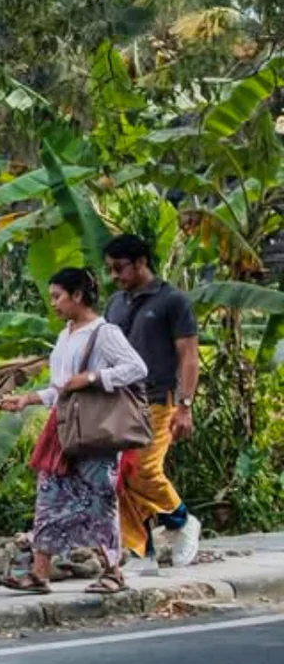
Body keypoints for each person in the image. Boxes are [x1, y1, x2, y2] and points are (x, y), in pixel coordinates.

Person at [0, 268, 146, 595]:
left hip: (96, 432)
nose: (54, 303)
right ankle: (39, 573)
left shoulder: (104, 332)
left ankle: (113, 571)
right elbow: (60, 389)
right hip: (65, 429)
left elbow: (137, 368)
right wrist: (26, 399)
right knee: (48, 498)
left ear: (78, 295)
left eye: (58, 296)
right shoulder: (65, 334)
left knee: (100, 499)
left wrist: (93, 378)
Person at [102, 234, 203, 569]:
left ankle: (181, 520)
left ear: (142, 262)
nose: (114, 275)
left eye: (120, 268)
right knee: (121, 476)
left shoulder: (172, 300)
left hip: (160, 399)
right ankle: (133, 548)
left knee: (145, 468)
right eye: (110, 269)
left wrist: (185, 406)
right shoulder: (115, 303)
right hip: (120, 403)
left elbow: (189, 356)